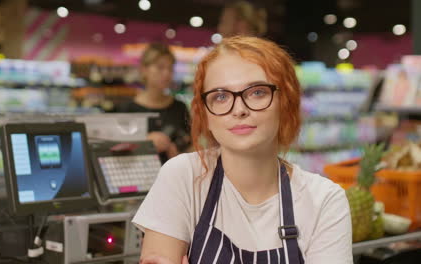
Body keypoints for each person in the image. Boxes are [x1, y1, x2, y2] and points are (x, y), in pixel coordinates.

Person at [133, 36, 353, 264]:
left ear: (285, 102)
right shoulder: (183, 176)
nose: (238, 109)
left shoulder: (324, 201)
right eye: (220, 96)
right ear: (205, 113)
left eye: (257, 92)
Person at [116, 43, 191, 163]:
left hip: (174, 178)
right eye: (160, 67)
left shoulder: (180, 107)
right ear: (144, 69)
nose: (166, 73)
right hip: (138, 177)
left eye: (170, 68)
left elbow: (191, 145)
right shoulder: (127, 109)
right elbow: (117, 150)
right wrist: (144, 143)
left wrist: (179, 154)